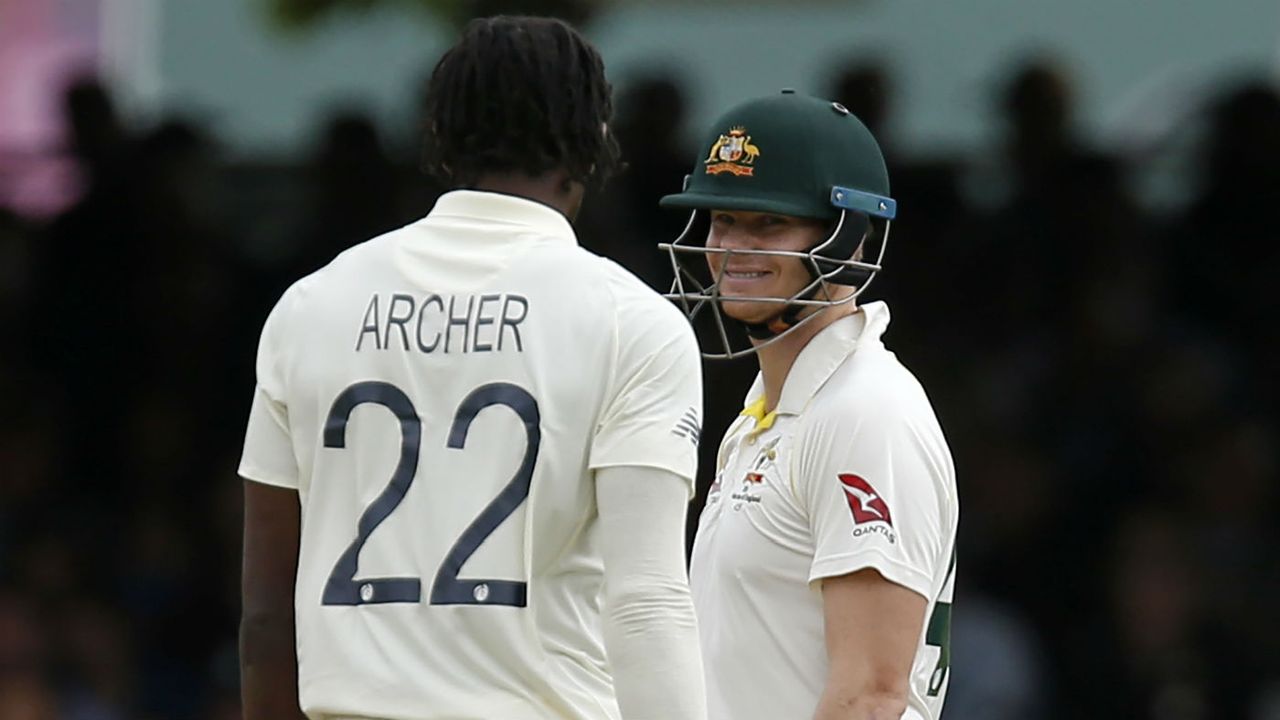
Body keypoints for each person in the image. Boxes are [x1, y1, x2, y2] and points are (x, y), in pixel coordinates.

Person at [238, 16, 707, 720]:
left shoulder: (311, 307)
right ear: (593, 142)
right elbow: (647, 604)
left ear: (440, 138)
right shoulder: (630, 321)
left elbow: (267, 614)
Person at [659, 90, 958, 720]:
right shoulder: (768, 415)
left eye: (769, 223)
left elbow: (872, 697)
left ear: (848, 237)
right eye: (722, 219)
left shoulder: (865, 412)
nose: (733, 246)